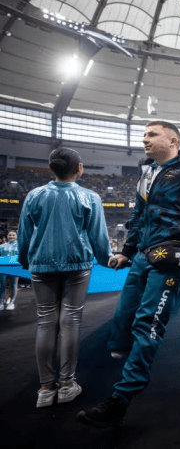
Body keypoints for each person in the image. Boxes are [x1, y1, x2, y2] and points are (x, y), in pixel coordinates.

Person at [78, 121, 180, 426]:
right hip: (143, 255)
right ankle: (132, 367)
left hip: (174, 255)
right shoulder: (148, 173)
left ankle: (122, 395)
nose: (144, 140)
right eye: (143, 135)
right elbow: (138, 215)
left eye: (152, 134)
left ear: (173, 140)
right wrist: (126, 251)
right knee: (123, 318)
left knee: (147, 322)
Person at [17, 148, 114, 408]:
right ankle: (67, 384)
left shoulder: (34, 195)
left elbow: (24, 234)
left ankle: (46, 389)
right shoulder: (89, 196)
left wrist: (27, 260)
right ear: (79, 168)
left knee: (46, 322)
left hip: (41, 265)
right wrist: (107, 260)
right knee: (70, 320)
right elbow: (99, 237)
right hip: (77, 264)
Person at [0, 231, 19, 310]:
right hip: (3, 266)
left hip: (15, 267)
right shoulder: (1, 246)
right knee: (2, 285)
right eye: (10, 235)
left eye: (13, 235)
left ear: (16, 236)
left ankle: (11, 302)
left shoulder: (20, 246)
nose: (11, 236)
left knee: (13, 285)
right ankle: (1, 302)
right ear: (7, 236)